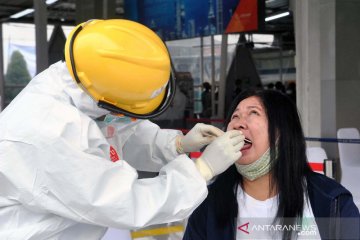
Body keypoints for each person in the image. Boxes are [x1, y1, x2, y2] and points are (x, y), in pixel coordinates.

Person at [0, 19, 245, 239]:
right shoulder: (49, 132)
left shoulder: (82, 79)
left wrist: (176, 144)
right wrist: (201, 170)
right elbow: (127, 202)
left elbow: (115, 131)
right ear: (109, 102)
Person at [183, 89, 360, 240]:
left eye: (253, 113)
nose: (238, 123)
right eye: (235, 116)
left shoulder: (332, 201)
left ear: (281, 132)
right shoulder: (209, 205)